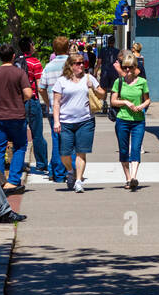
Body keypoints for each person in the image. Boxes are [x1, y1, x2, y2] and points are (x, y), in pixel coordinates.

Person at [52, 49, 102, 191]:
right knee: (64, 154)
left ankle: (79, 181)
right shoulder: (61, 81)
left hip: (85, 121)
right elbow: (56, 102)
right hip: (66, 122)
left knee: (81, 152)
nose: (81, 65)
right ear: (70, 65)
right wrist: (56, 121)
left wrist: (94, 88)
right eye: (78, 63)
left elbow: (103, 94)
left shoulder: (89, 78)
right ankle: (70, 171)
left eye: (82, 63)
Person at [0, 45, 33, 193]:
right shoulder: (19, 73)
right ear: (13, 56)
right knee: (19, 147)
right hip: (17, 115)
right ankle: (13, 181)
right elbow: (28, 94)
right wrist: (19, 100)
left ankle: (0, 182)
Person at [110, 54, 151, 190]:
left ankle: (133, 177)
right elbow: (113, 101)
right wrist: (126, 102)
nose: (127, 70)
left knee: (135, 148)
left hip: (138, 121)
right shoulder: (119, 82)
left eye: (130, 67)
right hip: (122, 120)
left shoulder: (142, 82)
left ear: (135, 67)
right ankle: (127, 178)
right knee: (123, 150)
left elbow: (147, 99)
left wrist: (142, 106)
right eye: (125, 67)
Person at [39, 36, 70, 183]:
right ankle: (65, 171)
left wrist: (48, 101)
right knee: (70, 142)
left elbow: (41, 88)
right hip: (71, 109)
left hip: (53, 110)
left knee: (56, 140)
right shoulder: (72, 65)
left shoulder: (49, 66)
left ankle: (55, 171)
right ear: (68, 48)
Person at [18, 37, 48, 177]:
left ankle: (19, 163)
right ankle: (41, 164)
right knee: (37, 134)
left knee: (20, 134)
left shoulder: (15, 62)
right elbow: (39, 84)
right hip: (32, 100)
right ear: (30, 46)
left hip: (18, 101)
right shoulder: (35, 62)